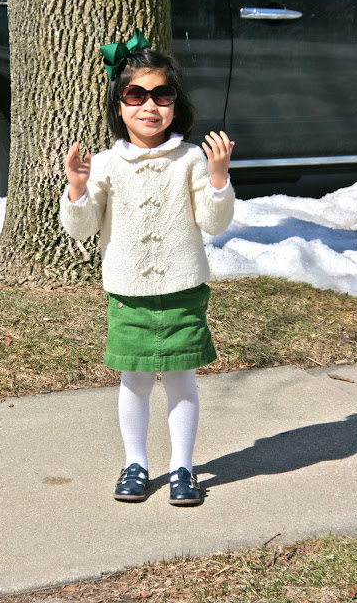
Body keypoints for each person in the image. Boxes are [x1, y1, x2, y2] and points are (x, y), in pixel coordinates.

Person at [60, 29, 235, 506]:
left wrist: (218, 178)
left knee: (182, 381)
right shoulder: (104, 164)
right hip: (128, 292)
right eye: (135, 95)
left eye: (162, 95)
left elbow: (214, 222)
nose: (149, 106)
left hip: (183, 290)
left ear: (176, 104)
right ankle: (135, 463)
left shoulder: (191, 159)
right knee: (134, 381)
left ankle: (182, 467)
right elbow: (81, 229)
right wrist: (77, 188)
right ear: (119, 106)